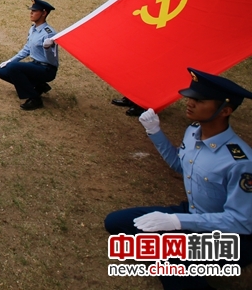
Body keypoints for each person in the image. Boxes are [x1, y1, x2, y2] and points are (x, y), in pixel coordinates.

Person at [104, 68, 252, 289]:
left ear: (225, 110)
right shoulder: (193, 132)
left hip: (231, 237)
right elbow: (179, 166)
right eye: (191, 97)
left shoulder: (240, 161)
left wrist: (177, 222)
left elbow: (241, 222)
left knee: (169, 261)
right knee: (116, 223)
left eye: (199, 100)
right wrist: (155, 132)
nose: (189, 103)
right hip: (192, 214)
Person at [111, 0, 174, 117]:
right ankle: (130, 96)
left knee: (148, 66)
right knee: (133, 63)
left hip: (153, 27)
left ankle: (144, 103)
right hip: (137, 25)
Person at [0, 0, 59, 111]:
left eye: (35, 11)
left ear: (44, 13)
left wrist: (47, 48)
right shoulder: (33, 28)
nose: (31, 13)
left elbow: (52, 60)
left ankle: (35, 99)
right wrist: (10, 60)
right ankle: (38, 86)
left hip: (47, 69)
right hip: (35, 65)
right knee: (1, 71)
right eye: (31, 10)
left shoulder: (49, 33)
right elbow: (26, 49)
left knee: (14, 68)